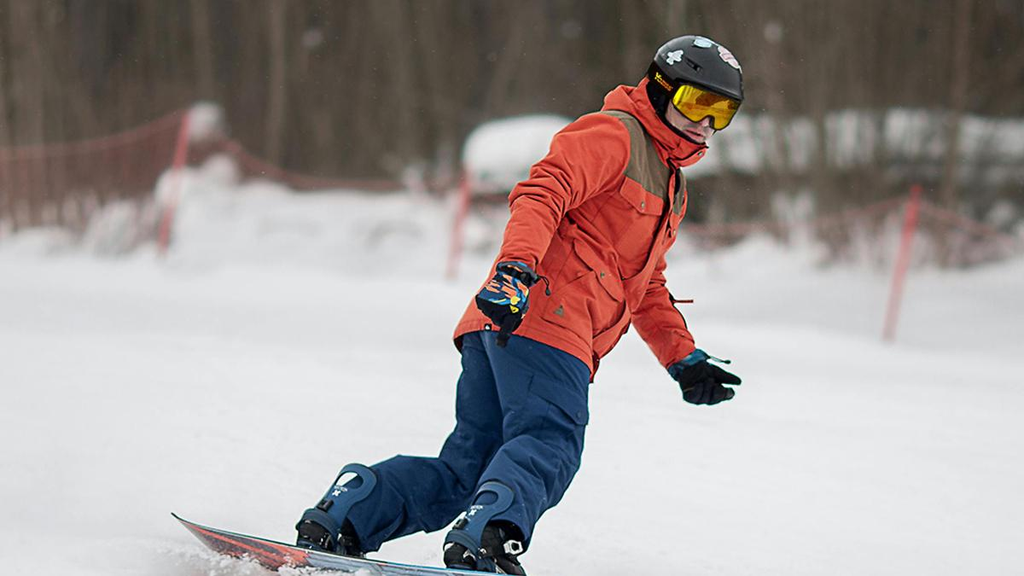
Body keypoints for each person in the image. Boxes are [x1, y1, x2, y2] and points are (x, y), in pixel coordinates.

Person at [295, 35, 746, 575]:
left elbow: (645, 283)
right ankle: (489, 538)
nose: (706, 124)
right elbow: (543, 190)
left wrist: (683, 358)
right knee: (550, 440)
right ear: (658, 89)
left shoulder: (671, 185)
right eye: (698, 103)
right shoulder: (615, 134)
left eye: (723, 112)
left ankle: (349, 513)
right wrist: (515, 270)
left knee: (469, 469)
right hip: (545, 318)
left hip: (511, 324)